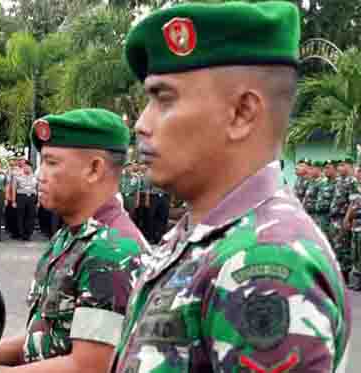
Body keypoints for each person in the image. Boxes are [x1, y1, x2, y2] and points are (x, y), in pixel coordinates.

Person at [112, 3, 351, 372]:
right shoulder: (202, 237)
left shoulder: (267, 263)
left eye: (164, 98)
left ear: (241, 113)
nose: (142, 123)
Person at [0, 108, 148, 373]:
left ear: (94, 168)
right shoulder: (72, 235)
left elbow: (90, 366)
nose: (39, 174)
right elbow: (42, 339)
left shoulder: (112, 250)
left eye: (51, 162)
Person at [330, 158, 356, 283]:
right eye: (339, 165)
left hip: (342, 218)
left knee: (344, 248)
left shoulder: (352, 181)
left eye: (342, 165)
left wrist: (347, 218)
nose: (339, 168)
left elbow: (353, 201)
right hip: (334, 218)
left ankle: (345, 278)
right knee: (336, 247)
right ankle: (338, 276)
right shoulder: (339, 180)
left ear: (349, 166)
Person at [12, 160, 38, 241]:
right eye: (26, 167)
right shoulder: (18, 176)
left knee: (30, 216)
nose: (27, 168)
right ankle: (21, 234)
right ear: (23, 168)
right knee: (21, 216)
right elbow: (14, 188)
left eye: (29, 167)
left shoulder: (35, 177)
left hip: (32, 197)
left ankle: (28, 234)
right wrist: (13, 201)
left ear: (31, 168)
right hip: (21, 197)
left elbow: (38, 188)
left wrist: (39, 201)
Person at [315, 160, 337, 239]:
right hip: (320, 217)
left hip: (330, 218)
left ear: (335, 169)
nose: (325, 170)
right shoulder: (323, 182)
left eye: (328, 168)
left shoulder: (338, 183)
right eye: (325, 168)